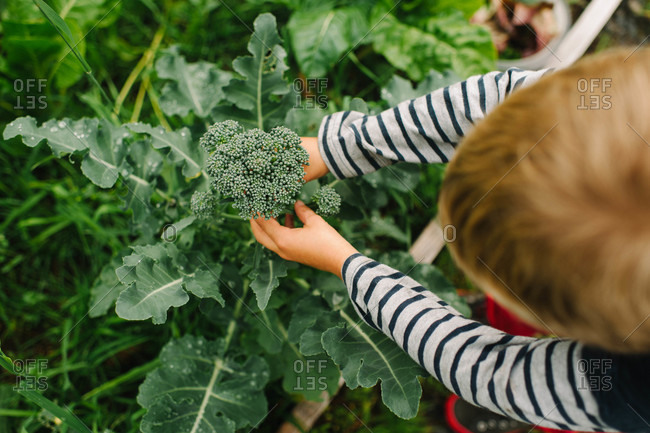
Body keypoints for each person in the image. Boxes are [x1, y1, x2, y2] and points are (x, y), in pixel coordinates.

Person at [250, 47, 650, 432]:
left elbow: (487, 372)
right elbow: (495, 101)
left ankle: (552, 413)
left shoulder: (633, 389)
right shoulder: (610, 107)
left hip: (609, 389)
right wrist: (336, 149)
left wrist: (349, 267)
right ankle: (500, 316)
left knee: (566, 401)